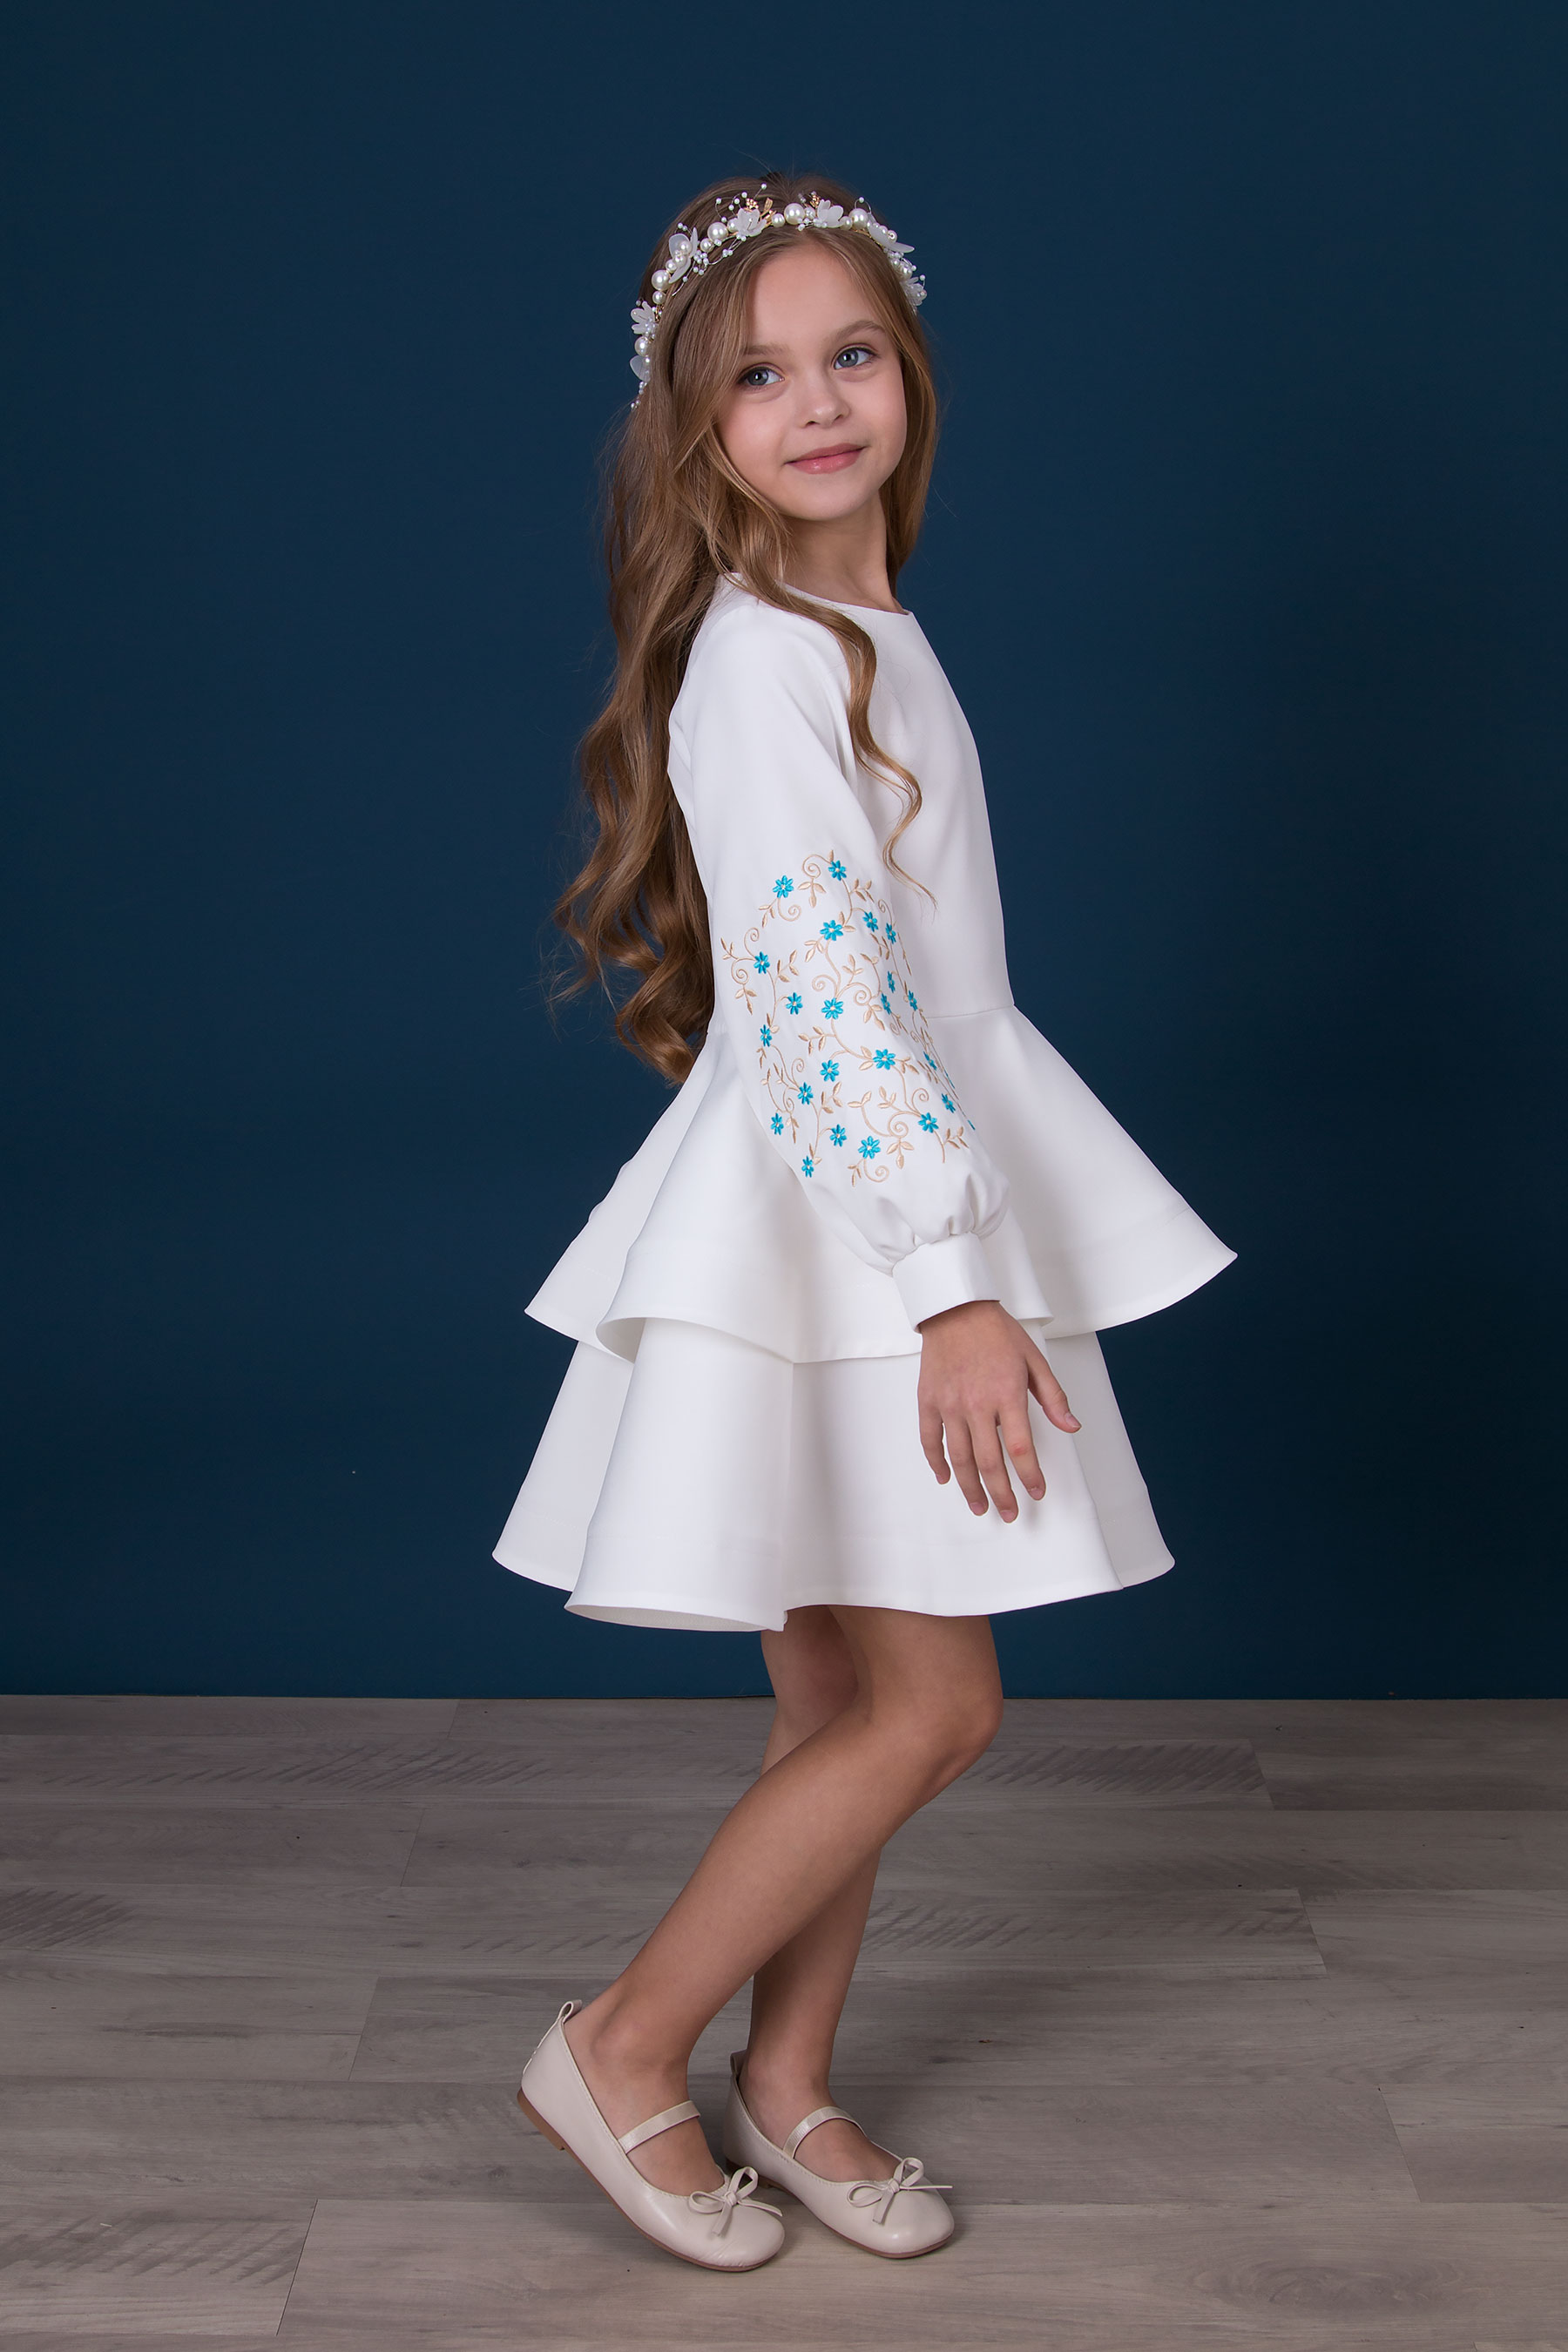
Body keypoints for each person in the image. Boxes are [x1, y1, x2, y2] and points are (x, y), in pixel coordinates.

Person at [497, 171, 1234, 2273]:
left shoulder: (866, 631)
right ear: (696, 424)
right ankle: (622, 2046)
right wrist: (952, 1284)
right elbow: (824, 989)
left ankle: (790, 2079)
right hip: (855, 1216)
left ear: (908, 371)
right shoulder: (764, 661)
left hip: (856, 1188)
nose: (816, 405)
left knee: (840, 1706)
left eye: (850, 356)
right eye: (759, 377)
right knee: (936, 1707)